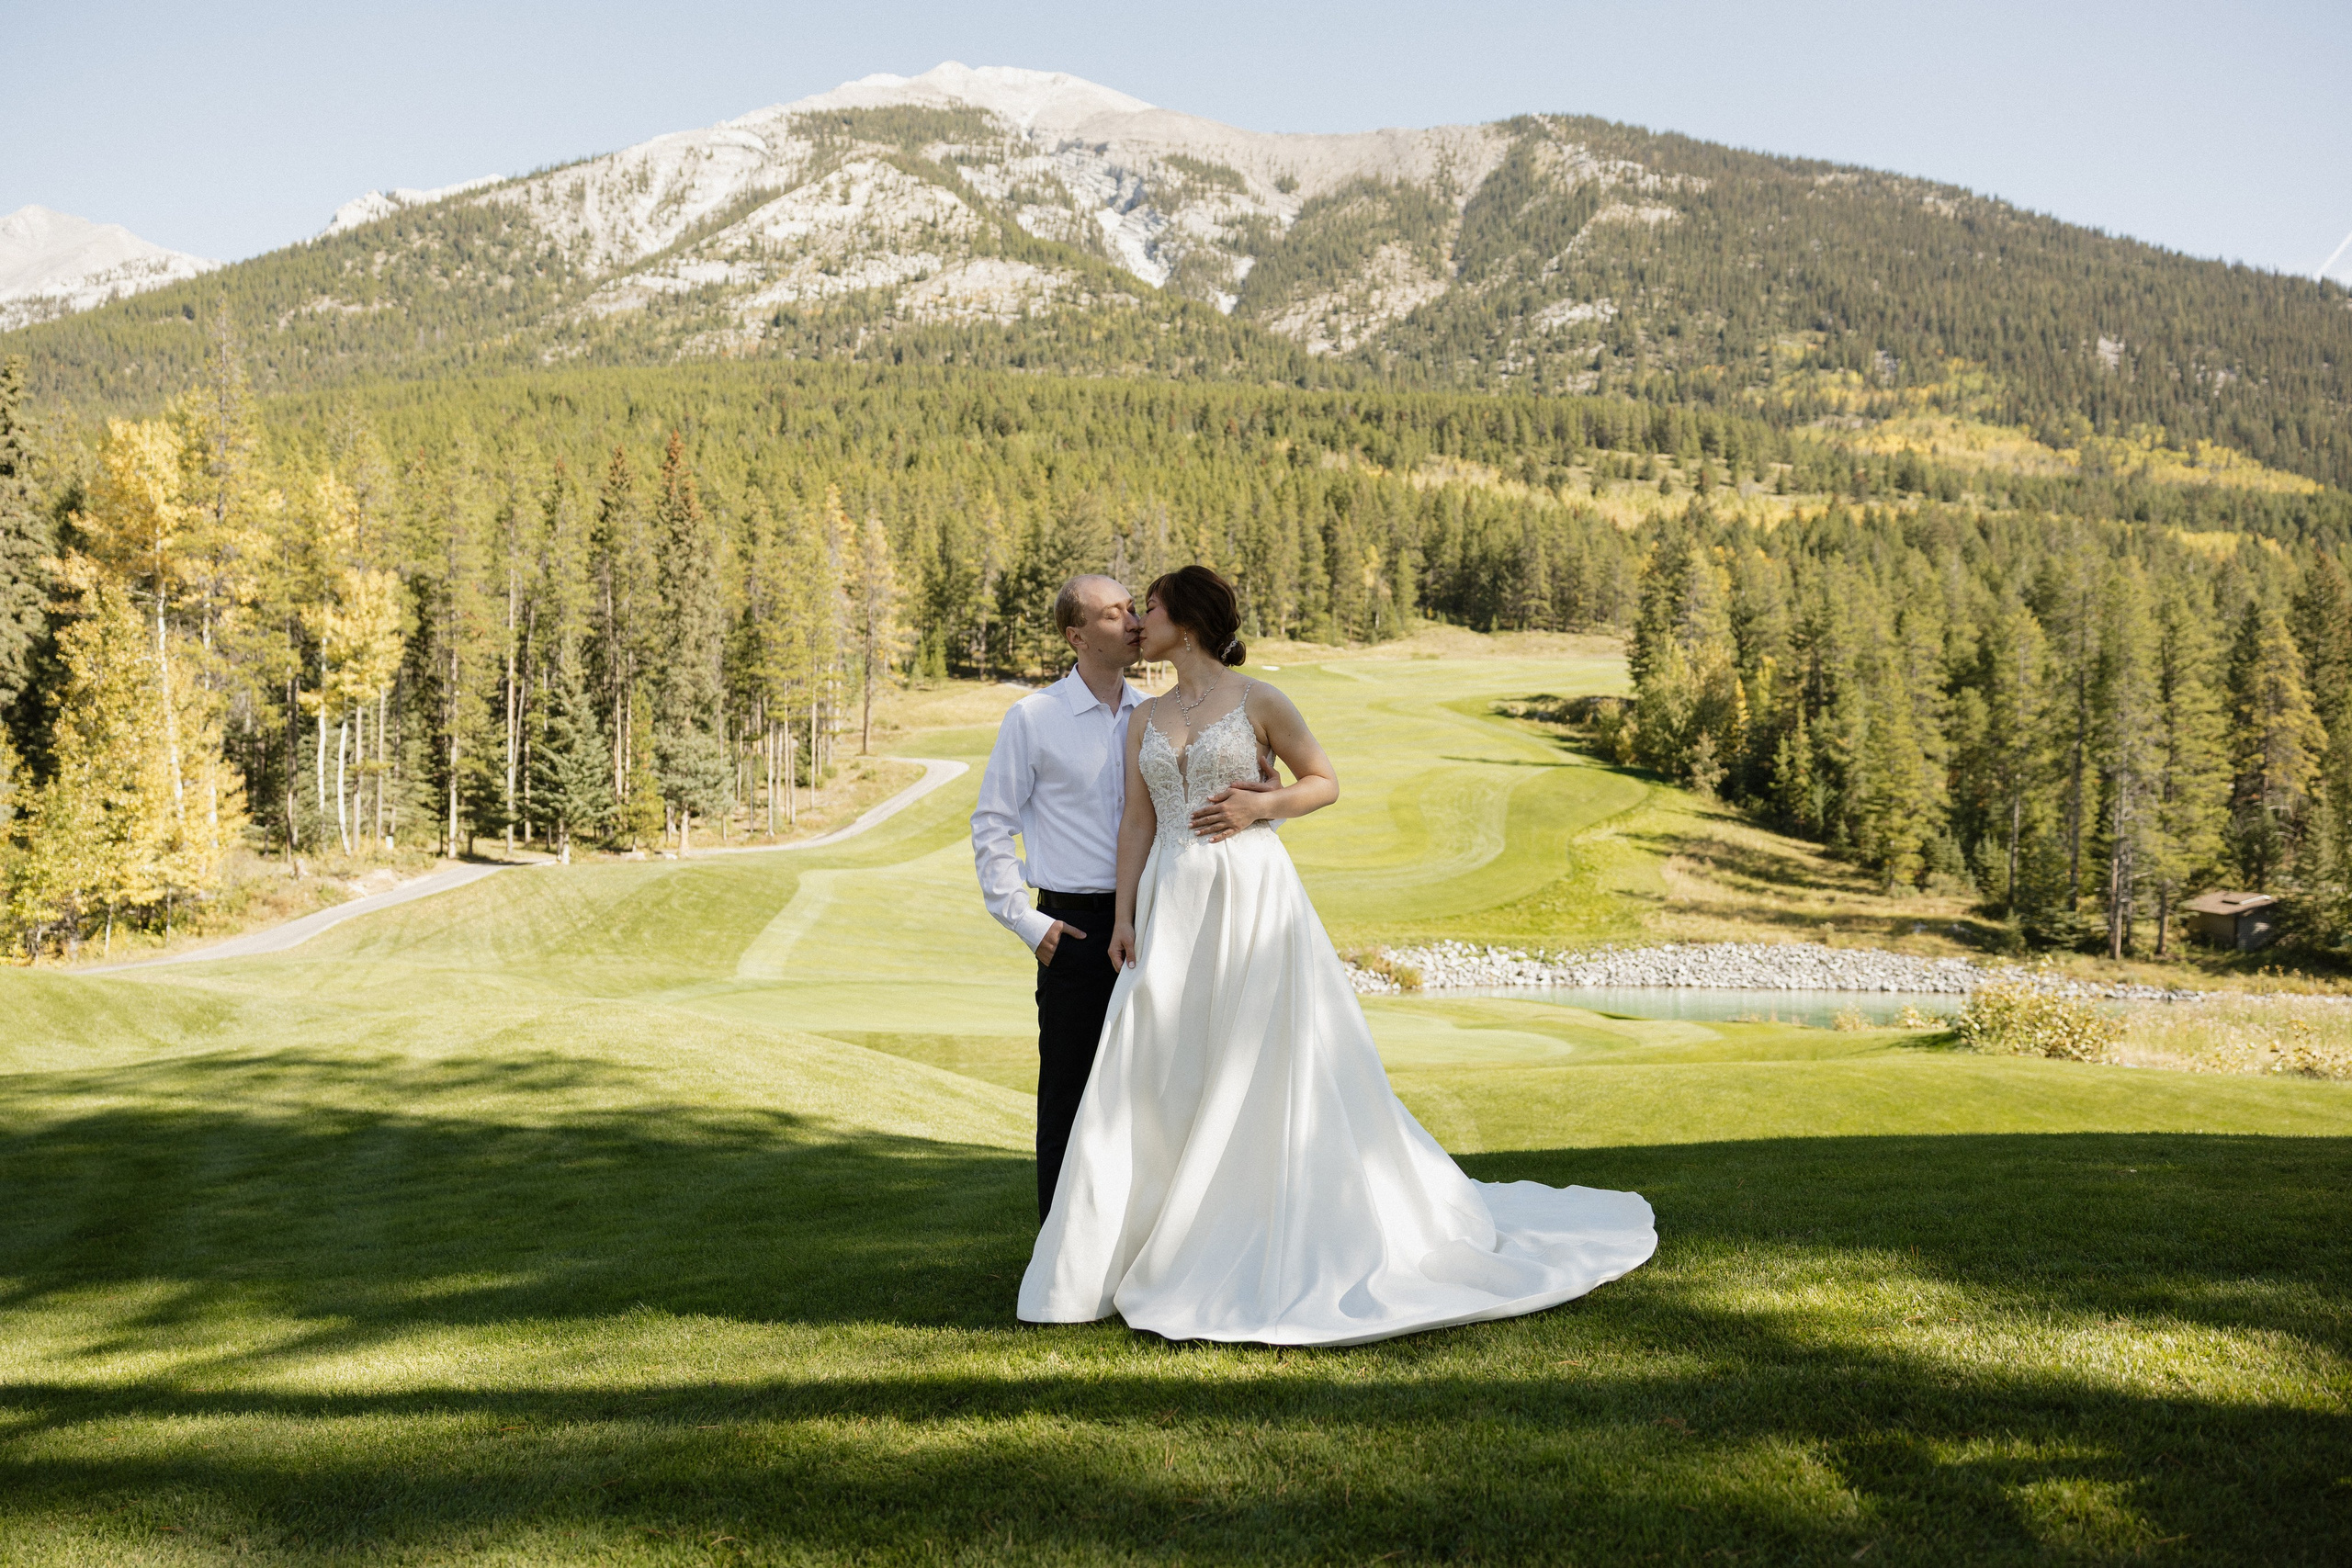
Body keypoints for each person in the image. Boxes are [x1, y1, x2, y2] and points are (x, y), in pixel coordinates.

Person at [1018, 566, 1657, 1346]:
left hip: (1251, 898)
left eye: (1148, 608)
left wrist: (1261, 804)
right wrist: (1123, 916)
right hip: (1169, 904)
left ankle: (1247, 1229)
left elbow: (1323, 782)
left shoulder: (1259, 701)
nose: (1136, 620)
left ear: (1185, 622)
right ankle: (1128, 1246)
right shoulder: (1144, 717)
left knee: (1260, 1063)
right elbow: (1138, 825)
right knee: (1157, 1067)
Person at [970, 574, 1151, 1221]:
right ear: (1076, 636)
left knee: (1149, 1102)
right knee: (1068, 1108)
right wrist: (1026, 920)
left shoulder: (1154, 715)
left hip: (1153, 925)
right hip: (1072, 931)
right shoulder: (1034, 718)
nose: (1134, 621)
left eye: (1134, 608)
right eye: (1114, 613)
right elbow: (991, 823)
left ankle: (1136, 1253)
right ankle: (1057, 1260)